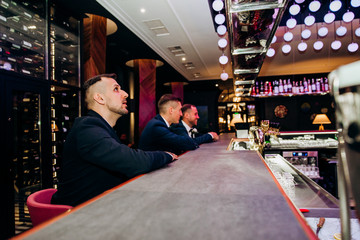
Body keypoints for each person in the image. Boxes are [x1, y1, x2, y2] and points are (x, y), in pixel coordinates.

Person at [51, 74, 177, 207]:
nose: (126, 94)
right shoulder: (87, 128)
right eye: (116, 89)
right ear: (100, 98)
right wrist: (167, 155)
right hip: (76, 216)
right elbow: (134, 162)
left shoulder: (102, 128)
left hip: (98, 206)